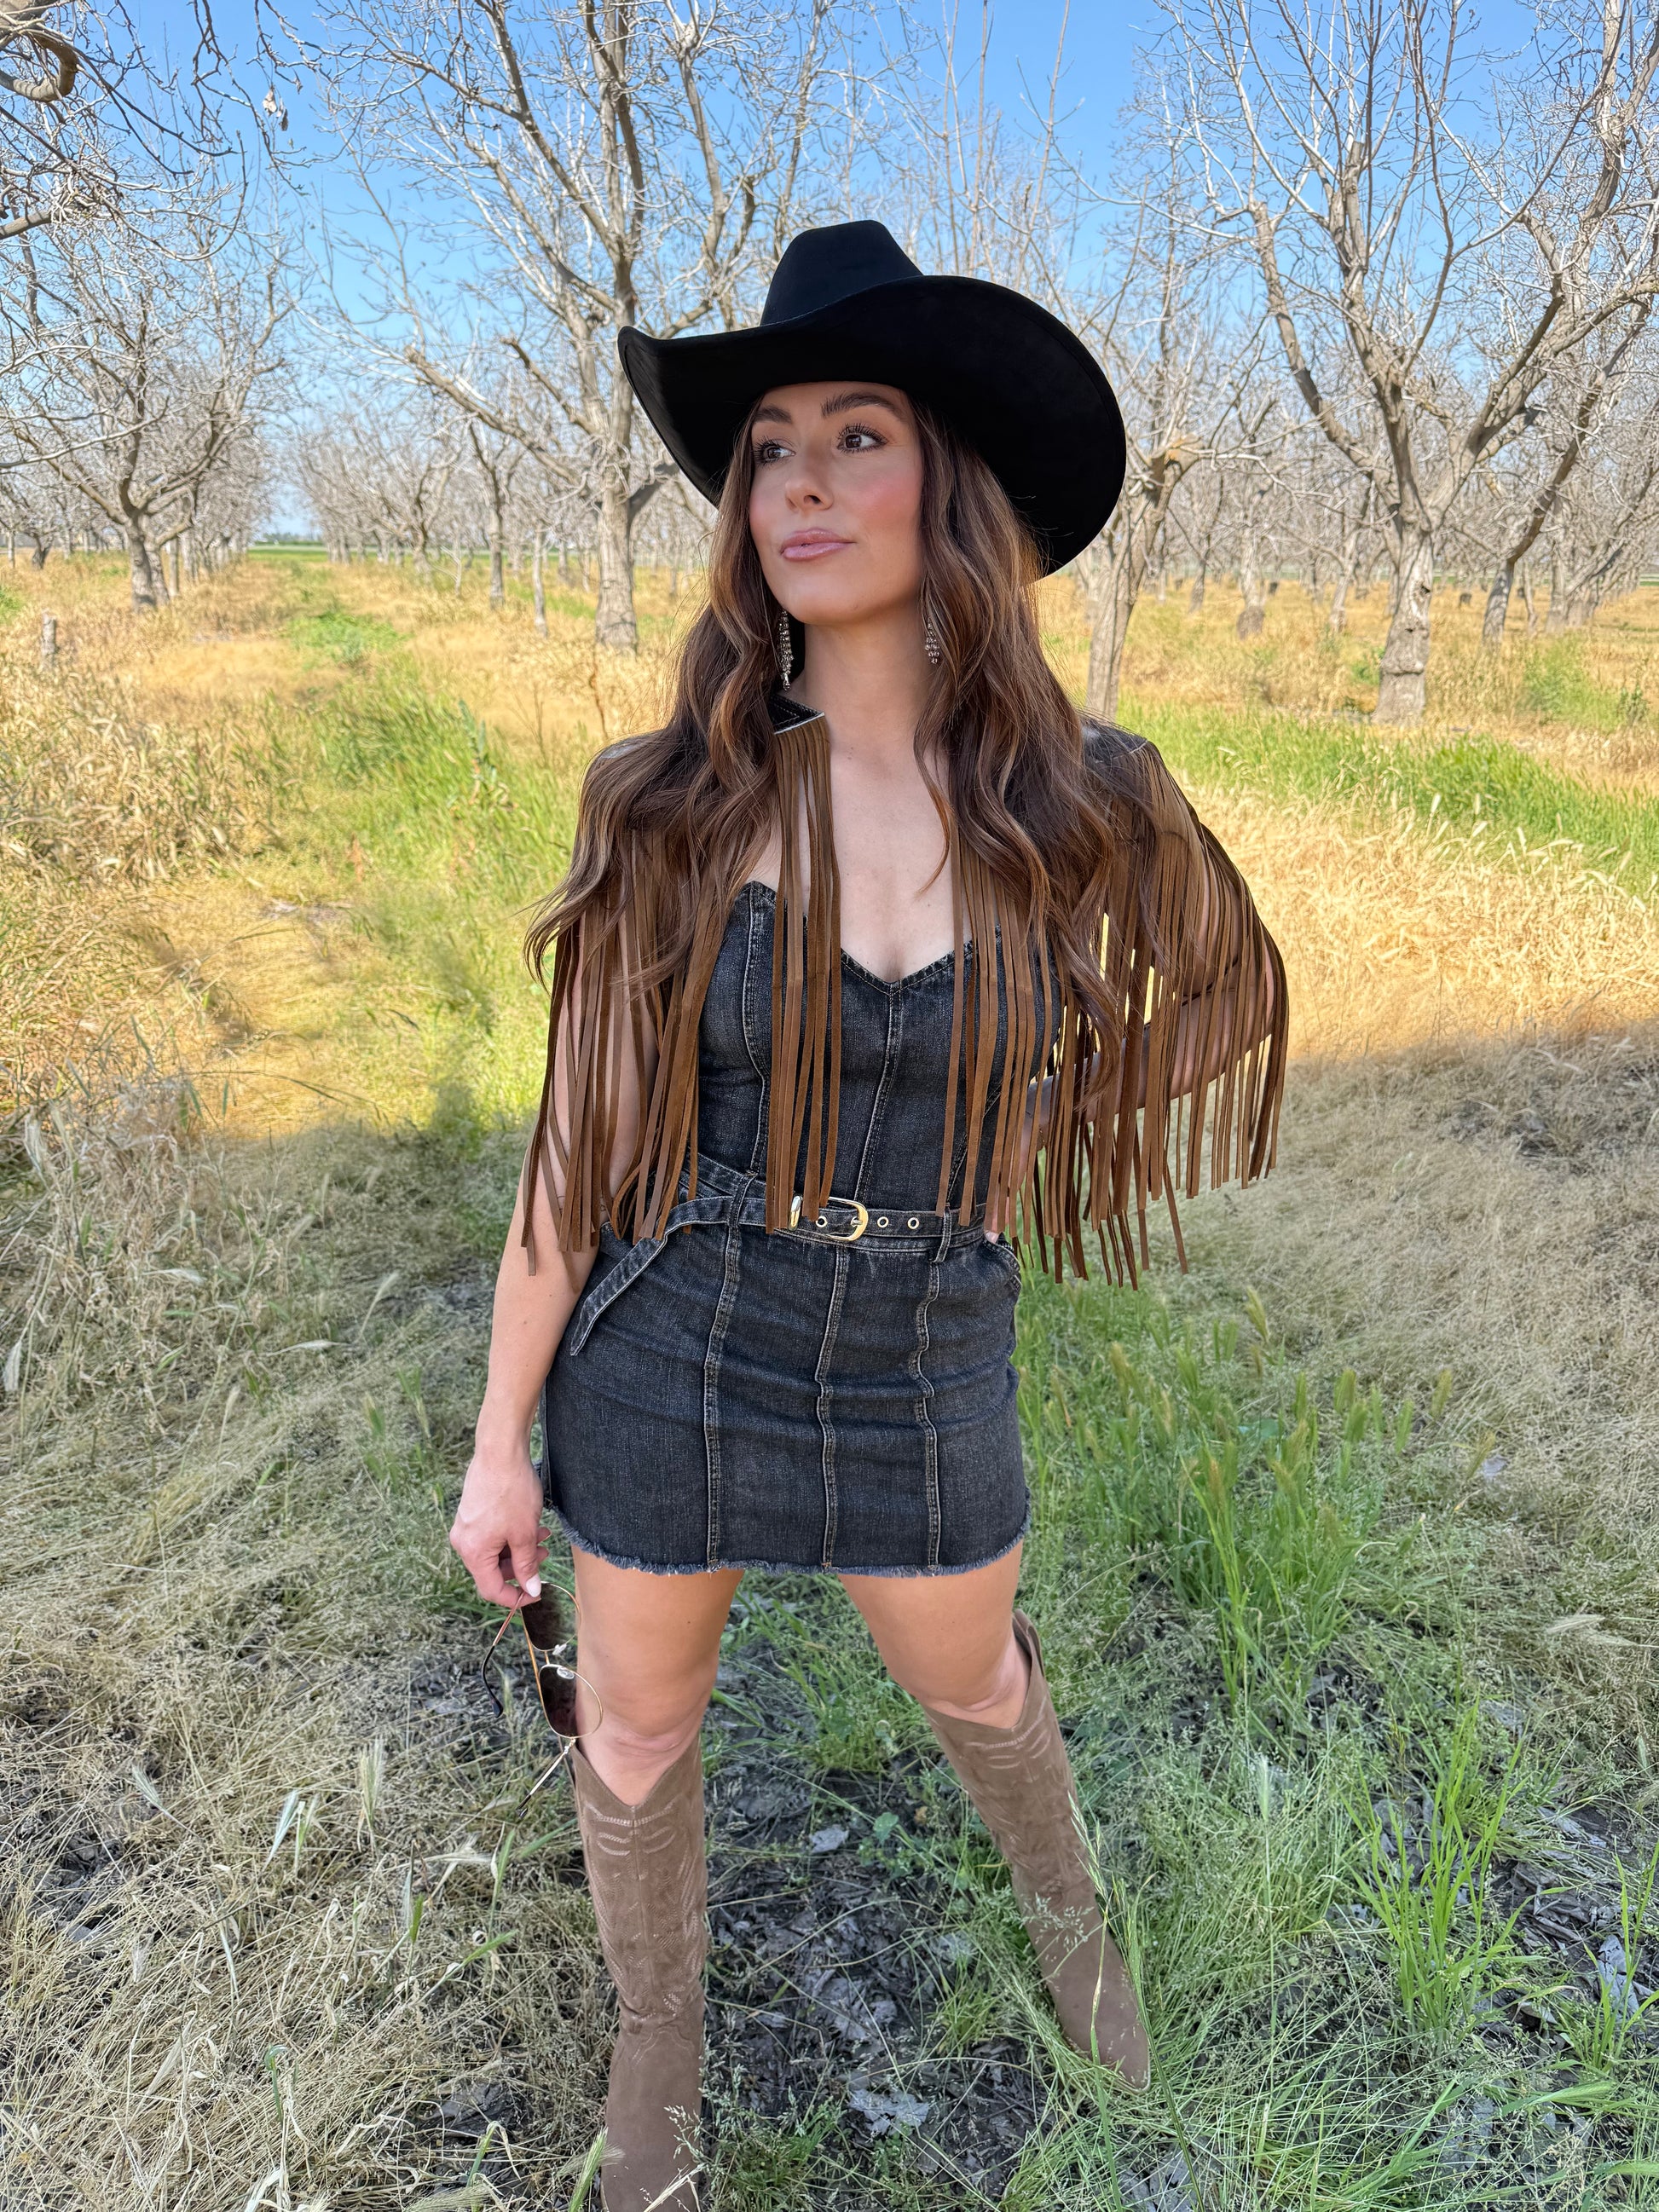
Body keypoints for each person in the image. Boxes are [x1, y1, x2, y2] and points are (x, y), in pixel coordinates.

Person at [449, 220, 1288, 2212]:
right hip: (681, 1334)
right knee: (638, 1723)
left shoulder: (1082, 794)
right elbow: (574, 1146)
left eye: (855, 437)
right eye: (766, 451)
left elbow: (1227, 999)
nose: (799, 486)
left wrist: (1047, 1116)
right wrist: (496, 1444)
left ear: (951, 485)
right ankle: (659, 2046)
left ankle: (1073, 1930)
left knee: (975, 1678)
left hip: (927, 1340)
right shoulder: (674, 801)